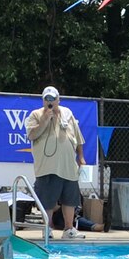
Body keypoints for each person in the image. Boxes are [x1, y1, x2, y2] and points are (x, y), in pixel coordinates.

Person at [26, 85, 85, 239]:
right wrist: (45, 119)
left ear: (59, 99)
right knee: (47, 200)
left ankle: (69, 229)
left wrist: (81, 157)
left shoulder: (67, 114)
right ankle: (47, 228)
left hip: (68, 166)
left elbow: (77, 137)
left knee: (70, 199)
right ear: (43, 100)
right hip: (48, 167)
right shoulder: (36, 115)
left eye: (53, 99)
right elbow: (31, 135)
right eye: (47, 99)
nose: (50, 102)